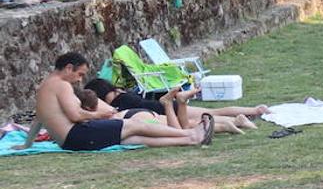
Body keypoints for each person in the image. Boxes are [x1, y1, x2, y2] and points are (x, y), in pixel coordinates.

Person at [32, 52, 210, 151]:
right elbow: (75, 115)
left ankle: (189, 140)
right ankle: (191, 135)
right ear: (68, 68)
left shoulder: (45, 87)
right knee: (132, 125)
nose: (79, 80)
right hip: (78, 135)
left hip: (70, 141)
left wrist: (25, 144)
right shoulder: (62, 85)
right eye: (79, 74)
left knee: (133, 138)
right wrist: (99, 114)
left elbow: (38, 119)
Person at [84, 78, 265, 132]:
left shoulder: (116, 103)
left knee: (203, 118)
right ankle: (253, 110)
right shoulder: (122, 92)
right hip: (160, 107)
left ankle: (240, 118)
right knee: (212, 111)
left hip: (164, 111)